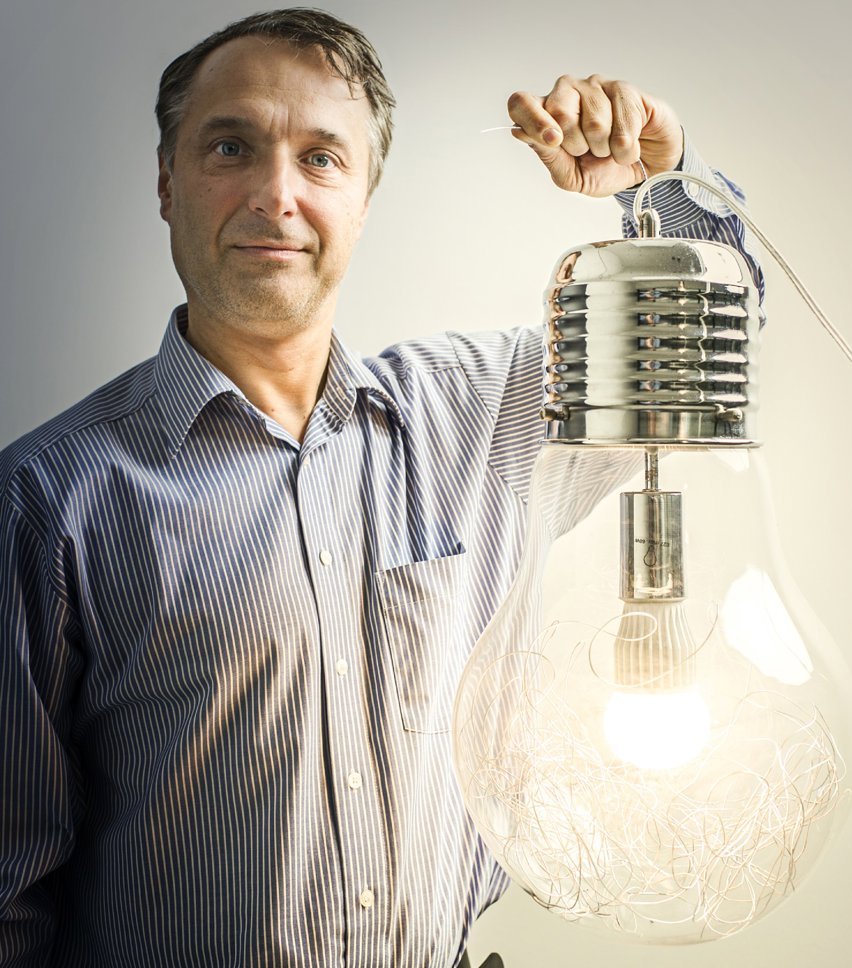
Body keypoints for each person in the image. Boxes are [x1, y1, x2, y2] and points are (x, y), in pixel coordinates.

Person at [0, 7, 763, 967]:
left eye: (322, 158)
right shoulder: (47, 498)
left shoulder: (486, 415)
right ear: (166, 182)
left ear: (364, 196)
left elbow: (712, 342)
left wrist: (662, 178)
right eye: (231, 147)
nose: (276, 195)